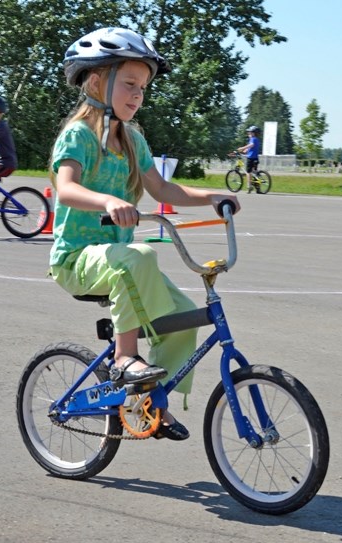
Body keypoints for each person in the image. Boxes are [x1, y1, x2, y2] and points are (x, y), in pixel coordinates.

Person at [48, 27, 240, 441]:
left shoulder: (133, 139)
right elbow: (65, 187)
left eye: (143, 87)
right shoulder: (78, 135)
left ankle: (148, 402)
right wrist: (107, 202)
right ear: (97, 82)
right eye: (130, 84)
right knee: (140, 255)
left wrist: (211, 197)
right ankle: (124, 358)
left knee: (182, 320)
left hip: (119, 264)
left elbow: (163, 189)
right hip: (77, 260)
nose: (138, 94)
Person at [236, 125, 261, 193]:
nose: (248, 134)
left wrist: (242, 148)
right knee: (255, 173)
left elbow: (251, 145)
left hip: (251, 158)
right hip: (256, 158)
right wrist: (244, 151)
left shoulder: (253, 139)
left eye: (249, 132)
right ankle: (258, 188)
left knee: (248, 172)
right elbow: (250, 148)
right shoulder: (257, 140)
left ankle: (249, 186)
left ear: (253, 133)